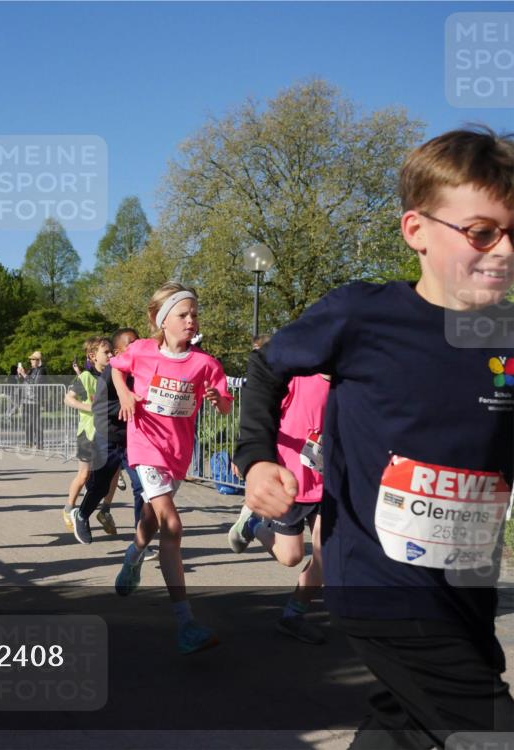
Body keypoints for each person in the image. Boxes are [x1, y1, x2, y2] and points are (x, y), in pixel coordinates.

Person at [235, 127, 513, 747]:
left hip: (465, 586)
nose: (504, 250)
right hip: (378, 583)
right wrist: (255, 459)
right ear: (416, 230)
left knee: (406, 725)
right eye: (482, 232)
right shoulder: (365, 314)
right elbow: (266, 368)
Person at [111, 281, 234, 654]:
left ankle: (133, 555)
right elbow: (117, 368)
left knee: (151, 519)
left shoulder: (205, 363)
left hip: (177, 453)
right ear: (162, 320)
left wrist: (216, 399)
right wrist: (125, 393)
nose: (191, 320)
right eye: (183, 314)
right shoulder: (141, 351)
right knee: (173, 524)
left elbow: (226, 404)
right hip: (145, 445)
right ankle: (185, 623)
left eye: (194, 314)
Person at [229, 373, 330, 644]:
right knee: (290, 557)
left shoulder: (351, 384)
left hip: (328, 483)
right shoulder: (295, 378)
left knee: (326, 555)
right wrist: (248, 455)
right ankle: (253, 525)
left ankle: (293, 616)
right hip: (290, 480)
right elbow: (261, 419)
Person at [72, 329, 148, 549]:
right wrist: (126, 404)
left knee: (141, 487)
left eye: (138, 342)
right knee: (100, 486)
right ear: (118, 352)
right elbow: (98, 407)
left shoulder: (143, 370)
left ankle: (140, 541)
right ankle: (81, 514)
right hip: (107, 437)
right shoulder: (111, 373)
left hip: (132, 440)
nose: (136, 346)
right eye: (130, 343)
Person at [62, 337, 113, 531]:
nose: (110, 355)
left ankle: (105, 510)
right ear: (93, 356)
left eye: (111, 351)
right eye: (106, 352)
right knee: (84, 475)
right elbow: (68, 399)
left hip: (108, 434)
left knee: (112, 476)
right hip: (87, 434)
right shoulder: (85, 377)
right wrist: (90, 407)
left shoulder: (114, 375)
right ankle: (69, 508)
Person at [18, 351, 45, 449]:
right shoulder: (31, 370)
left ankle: (40, 443)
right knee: (27, 422)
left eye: (33, 359)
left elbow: (35, 383)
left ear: (39, 360)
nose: (31, 361)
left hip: (35, 400)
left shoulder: (41, 370)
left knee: (36, 422)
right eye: (31, 359)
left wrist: (24, 374)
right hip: (26, 399)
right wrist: (20, 375)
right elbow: (23, 381)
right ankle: (28, 442)